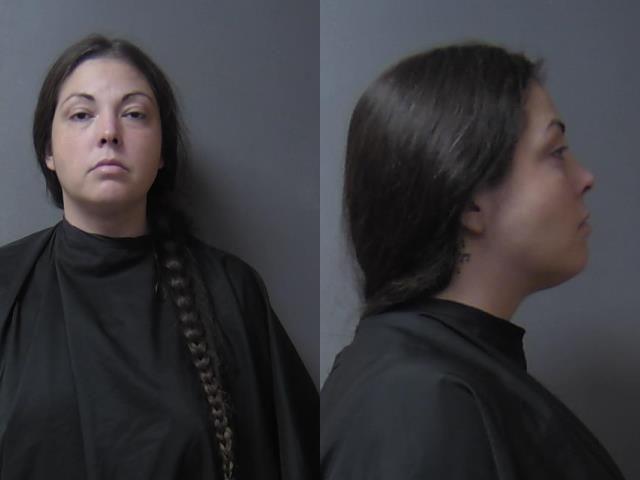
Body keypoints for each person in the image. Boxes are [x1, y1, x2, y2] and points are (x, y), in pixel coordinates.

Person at [0, 34, 316, 480]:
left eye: (133, 114)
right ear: (48, 150)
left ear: (163, 151)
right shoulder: (6, 285)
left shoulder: (230, 292)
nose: (109, 133)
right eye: (82, 114)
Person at [320, 43, 625, 479]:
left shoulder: (430, 376)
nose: (585, 178)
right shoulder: (421, 399)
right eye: (556, 152)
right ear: (470, 202)